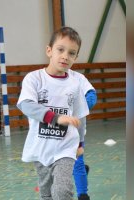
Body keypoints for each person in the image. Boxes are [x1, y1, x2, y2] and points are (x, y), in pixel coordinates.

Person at [17, 27, 89, 200]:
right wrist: (56, 118)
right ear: (49, 50)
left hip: (66, 148)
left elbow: (80, 116)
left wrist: (80, 144)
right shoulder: (34, 79)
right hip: (41, 147)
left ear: (76, 58)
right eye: (60, 49)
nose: (65, 56)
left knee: (62, 191)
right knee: (46, 193)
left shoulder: (75, 84)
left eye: (71, 53)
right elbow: (26, 105)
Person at [69, 70, 97, 200]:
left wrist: (81, 107)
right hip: (52, 133)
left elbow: (91, 94)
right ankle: (82, 173)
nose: (65, 57)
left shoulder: (78, 78)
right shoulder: (42, 78)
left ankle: (83, 194)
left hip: (75, 131)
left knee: (77, 162)